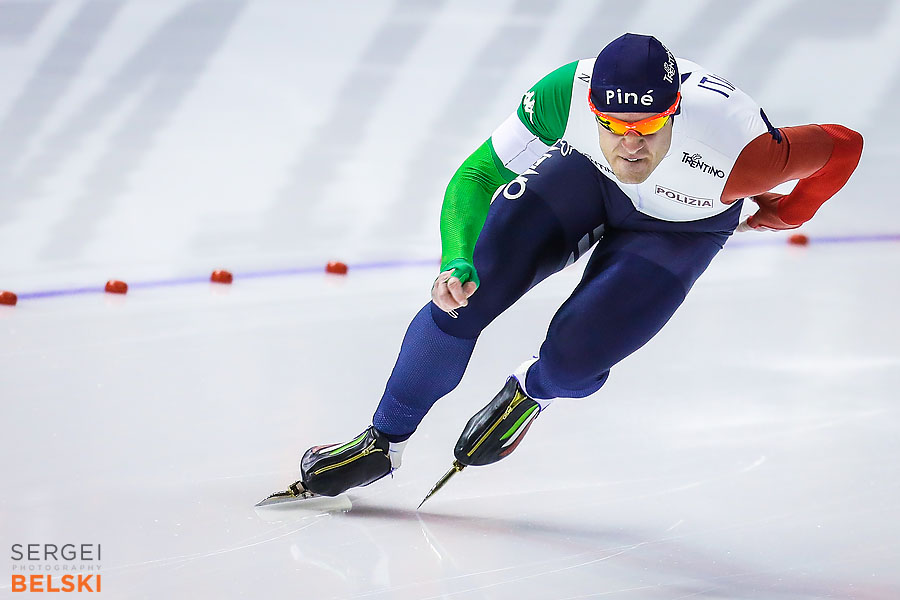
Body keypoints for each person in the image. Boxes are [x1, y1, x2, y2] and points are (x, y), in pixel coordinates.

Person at [267, 33, 863, 503]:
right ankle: (383, 439)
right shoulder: (562, 95)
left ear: (674, 110)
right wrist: (455, 258)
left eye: (649, 128)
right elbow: (475, 175)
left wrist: (792, 209)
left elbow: (844, 144)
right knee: (467, 292)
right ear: (592, 108)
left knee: (575, 361)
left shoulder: (742, 150)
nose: (631, 145)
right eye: (613, 125)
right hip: (587, 181)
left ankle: (531, 391)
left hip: (682, 228)